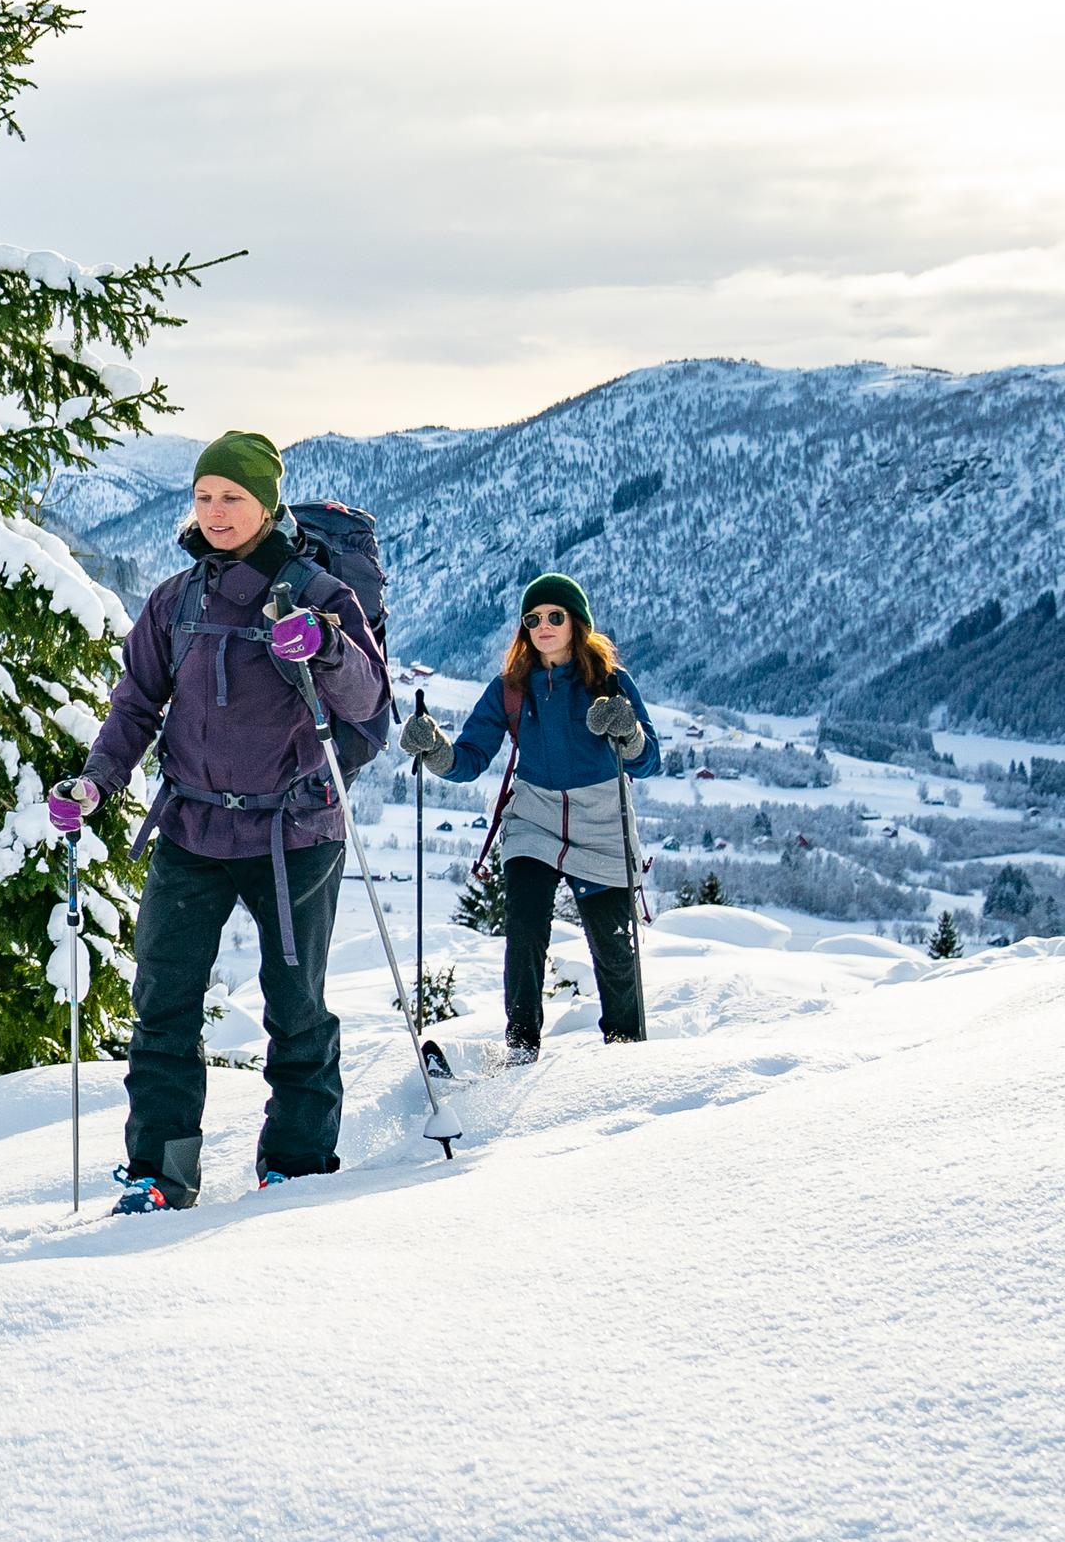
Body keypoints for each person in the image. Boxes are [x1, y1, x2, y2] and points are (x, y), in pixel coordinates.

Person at [50, 431, 382, 1208]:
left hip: (294, 832)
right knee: (162, 1003)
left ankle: (295, 1165)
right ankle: (159, 1173)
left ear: (267, 504)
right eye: (204, 496)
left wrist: (328, 647)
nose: (215, 511)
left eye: (232, 497)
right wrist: (98, 783)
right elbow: (135, 704)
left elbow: (369, 702)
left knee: (295, 1004)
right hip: (192, 829)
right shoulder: (177, 599)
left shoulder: (319, 596)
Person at [401, 572, 661, 1058]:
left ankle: (626, 1054)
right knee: (523, 932)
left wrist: (627, 731)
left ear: (577, 623)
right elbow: (470, 758)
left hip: (602, 823)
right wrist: (436, 750)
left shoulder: (610, 683)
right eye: (533, 618)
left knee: (614, 951)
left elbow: (649, 761)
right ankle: (522, 1046)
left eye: (554, 616)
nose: (543, 625)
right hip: (533, 820)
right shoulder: (511, 689)